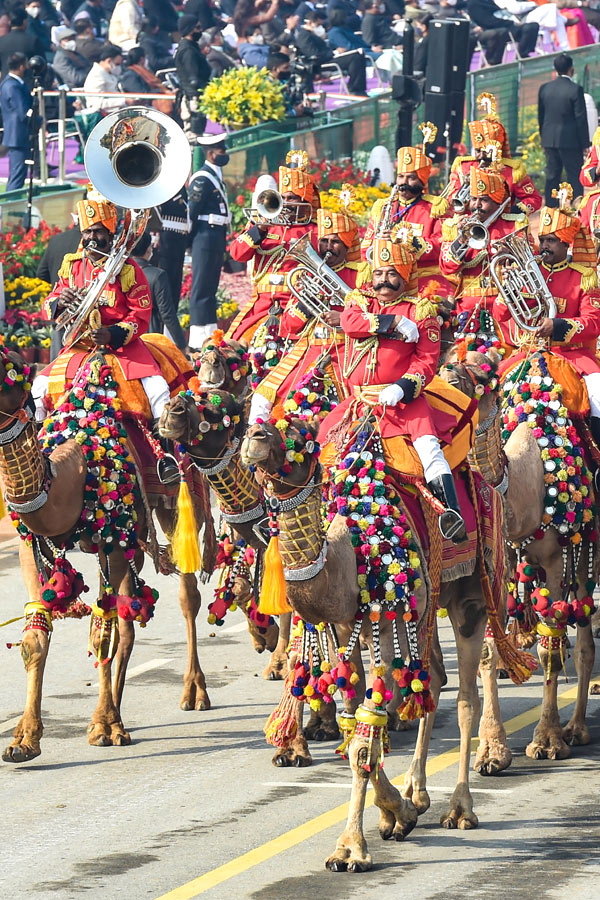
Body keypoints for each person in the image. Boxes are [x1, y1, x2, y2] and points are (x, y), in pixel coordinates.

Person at [319, 233, 467, 542]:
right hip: (359, 403)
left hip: (405, 404)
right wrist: (391, 324)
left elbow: (427, 363)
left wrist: (401, 388)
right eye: (378, 273)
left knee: (430, 452)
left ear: (405, 275)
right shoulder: (360, 302)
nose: (383, 281)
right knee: (325, 452)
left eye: (391, 274)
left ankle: (451, 516)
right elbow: (349, 323)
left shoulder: (421, 311)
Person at [33, 188, 180, 482]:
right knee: (39, 388)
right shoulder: (71, 266)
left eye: (98, 232)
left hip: (121, 349)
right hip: (79, 348)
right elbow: (50, 301)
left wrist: (112, 333)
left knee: (157, 391)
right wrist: (59, 303)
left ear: (110, 232)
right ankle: (40, 456)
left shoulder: (127, 269)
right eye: (87, 232)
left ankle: (165, 459)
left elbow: (141, 315)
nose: (91, 238)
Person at [494, 196, 600, 454]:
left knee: (598, 396)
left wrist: (558, 325)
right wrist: (506, 289)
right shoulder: (528, 271)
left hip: (572, 356)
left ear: (566, 244)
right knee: (488, 390)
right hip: (527, 353)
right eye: (542, 240)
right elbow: (500, 315)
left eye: (551, 241)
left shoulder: (583, 277)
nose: (544, 246)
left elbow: (594, 323)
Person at [249, 206, 362, 423]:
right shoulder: (308, 274)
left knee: (336, 408)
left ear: (347, 245)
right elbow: (288, 327)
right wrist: (304, 305)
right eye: (324, 241)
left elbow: (370, 316)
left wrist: (343, 318)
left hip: (345, 352)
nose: (328, 247)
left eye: (335, 242)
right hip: (308, 348)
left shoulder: (360, 275)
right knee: (261, 399)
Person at [228, 152, 319, 347]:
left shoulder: (316, 230)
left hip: (297, 304)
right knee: (233, 348)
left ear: (305, 201)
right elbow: (237, 253)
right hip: (261, 305)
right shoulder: (265, 224)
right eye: (283, 197)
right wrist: (259, 228)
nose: (285, 203)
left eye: (292, 198)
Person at [362, 138, 453, 294]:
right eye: (401, 176)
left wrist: (406, 243)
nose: (403, 182)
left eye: (411, 178)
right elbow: (365, 249)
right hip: (388, 279)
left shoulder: (436, 207)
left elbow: (442, 246)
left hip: (424, 277)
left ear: (421, 180)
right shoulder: (382, 207)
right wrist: (377, 243)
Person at [440, 169, 529, 323]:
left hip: (505, 304)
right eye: (473, 199)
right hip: (468, 304)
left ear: (497, 201)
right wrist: (462, 239)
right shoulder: (456, 225)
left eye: (484, 200)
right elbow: (447, 267)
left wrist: (512, 253)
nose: (477, 205)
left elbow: (530, 263)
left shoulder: (515, 225)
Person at [447, 92, 542, 215]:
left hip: (501, 228)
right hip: (466, 225)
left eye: (485, 152)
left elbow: (534, 199)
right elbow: (450, 200)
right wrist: (465, 187)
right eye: (477, 151)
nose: (480, 156)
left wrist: (511, 212)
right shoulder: (462, 166)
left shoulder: (513, 171)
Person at [188, 132, 231, 351]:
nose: (225, 153)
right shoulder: (202, 178)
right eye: (222, 150)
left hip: (216, 235)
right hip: (204, 235)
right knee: (201, 286)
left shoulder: (216, 176)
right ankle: (196, 338)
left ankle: (210, 332)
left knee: (211, 285)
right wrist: (190, 242)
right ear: (211, 153)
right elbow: (191, 213)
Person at [538, 52, 589, 205]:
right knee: (574, 174)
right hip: (570, 141)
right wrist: (585, 143)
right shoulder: (575, 89)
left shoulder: (545, 88)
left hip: (549, 139)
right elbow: (580, 119)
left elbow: (541, 116)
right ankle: (576, 205)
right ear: (571, 69)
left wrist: (543, 137)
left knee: (552, 175)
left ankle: (550, 209)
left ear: (555, 69)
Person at [132, 230, 188, 351]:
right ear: (148, 250)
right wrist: (182, 344)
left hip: (126, 336)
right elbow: (167, 314)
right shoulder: (157, 275)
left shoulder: (121, 273)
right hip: (150, 338)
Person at [36, 216, 82, 360]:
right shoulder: (95, 242)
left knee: (57, 365)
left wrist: (58, 288)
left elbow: (41, 273)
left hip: (58, 308)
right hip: (82, 315)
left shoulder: (56, 239)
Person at [295, 10, 367, 96]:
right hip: (320, 63)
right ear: (310, 23)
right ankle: (355, 89)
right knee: (355, 58)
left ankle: (358, 88)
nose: (321, 28)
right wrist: (334, 52)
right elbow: (313, 54)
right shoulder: (304, 36)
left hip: (327, 58)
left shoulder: (311, 34)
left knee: (357, 55)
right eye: (319, 25)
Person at [174, 14, 211, 143]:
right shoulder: (188, 50)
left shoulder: (191, 46)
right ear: (190, 29)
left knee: (198, 133)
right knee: (194, 136)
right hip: (193, 98)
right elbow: (193, 79)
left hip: (195, 96)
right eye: (198, 27)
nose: (200, 31)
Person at [155, 187, 190, 314]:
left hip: (177, 241)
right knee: (164, 290)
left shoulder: (179, 185)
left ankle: (168, 330)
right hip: (164, 241)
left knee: (173, 289)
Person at [0, 52, 32, 192]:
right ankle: (9, 209)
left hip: (17, 134)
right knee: (17, 175)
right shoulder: (12, 86)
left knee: (18, 173)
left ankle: (10, 208)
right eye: (26, 64)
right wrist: (38, 120)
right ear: (20, 66)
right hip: (17, 135)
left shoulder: (11, 84)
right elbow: (23, 112)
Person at [466, 0, 538, 59]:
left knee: (532, 26)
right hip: (491, 30)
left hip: (508, 26)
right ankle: (492, 63)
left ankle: (523, 54)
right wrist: (510, 22)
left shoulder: (489, 1)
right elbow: (487, 22)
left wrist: (513, 21)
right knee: (500, 32)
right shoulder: (473, 3)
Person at [120, 46, 174, 113]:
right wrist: (160, 91)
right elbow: (141, 94)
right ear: (142, 59)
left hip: (153, 97)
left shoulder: (145, 71)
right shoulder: (130, 75)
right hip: (146, 103)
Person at [0, 7, 45, 79]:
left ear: (10, 22)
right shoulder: (33, 41)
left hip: (5, 85)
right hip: (28, 85)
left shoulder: (1, 41)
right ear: (25, 21)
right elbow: (41, 65)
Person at [82, 44, 125, 113]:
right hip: (104, 115)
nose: (119, 67)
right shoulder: (96, 75)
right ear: (108, 61)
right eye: (117, 64)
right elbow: (97, 103)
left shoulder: (109, 73)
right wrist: (123, 101)